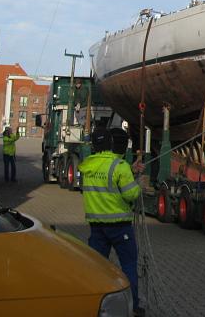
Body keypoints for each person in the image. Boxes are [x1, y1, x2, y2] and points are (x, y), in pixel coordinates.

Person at [80, 127, 143, 315]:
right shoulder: (119, 166)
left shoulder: (87, 166)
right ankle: (133, 306)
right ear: (112, 143)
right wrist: (137, 181)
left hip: (97, 227)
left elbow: (104, 181)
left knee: (96, 267)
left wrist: (130, 171)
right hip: (120, 226)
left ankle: (94, 304)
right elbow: (131, 194)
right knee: (129, 265)